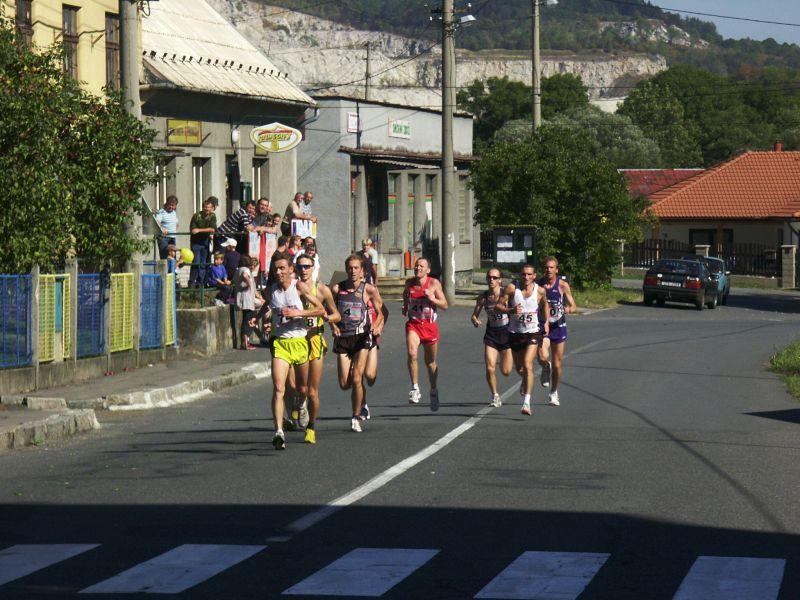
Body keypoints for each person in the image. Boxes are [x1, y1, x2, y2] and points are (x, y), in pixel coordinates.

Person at [251, 256, 324, 450]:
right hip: (281, 343)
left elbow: (320, 309)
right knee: (279, 388)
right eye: (276, 269)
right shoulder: (271, 290)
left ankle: (303, 408)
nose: (279, 272)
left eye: (283, 268)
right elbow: (268, 304)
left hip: (300, 342)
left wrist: (298, 313)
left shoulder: (298, 287)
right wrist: (257, 318)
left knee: (302, 389)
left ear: (291, 269)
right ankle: (279, 432)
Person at [331, 254, 384, 433]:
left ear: (362, 271)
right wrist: (332, 325)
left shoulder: (369, 289)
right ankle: (361, 398)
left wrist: (377, 326)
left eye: (356, 268)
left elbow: (380, 312)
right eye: (350, 268)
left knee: (357, 378)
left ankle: (355, 416)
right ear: (346, 269)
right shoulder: (337, 288)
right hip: (343, 338)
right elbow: (328, 309)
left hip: (362, 337)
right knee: (344, 384)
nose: (353, 271)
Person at [295, 253, 340, 444]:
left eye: (307, 266)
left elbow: (336, 314)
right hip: (297, 340)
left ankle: (311, 427)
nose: (304, 270)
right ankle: (300, 402)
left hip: (315, 340)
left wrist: (329, 319)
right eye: (300, 266)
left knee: (313, 391)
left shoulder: (322, 289)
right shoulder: (293, 288)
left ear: (313, 268)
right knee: (301, 388)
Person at [499, 264, 549, 416]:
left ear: (534, 276)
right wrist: (511, 310)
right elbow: (498, 306)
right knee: (520, 368)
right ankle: (526, 380)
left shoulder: (540, 291)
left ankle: (526, 403)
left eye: (529, 274)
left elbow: (544, 306)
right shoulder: (512, 289)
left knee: (528, 364)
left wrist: (546, 322)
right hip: (515, 333)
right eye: (523, 274)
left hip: (533, 332)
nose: (526, 277)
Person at [402, 258, 448, 411]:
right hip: (414, 325)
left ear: (428, 270)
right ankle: (415, 388)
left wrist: (432, 298)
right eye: (416, 265)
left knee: (430, 362)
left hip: (429, 327)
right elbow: (406, 295)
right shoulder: (409, 283)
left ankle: (433, 390)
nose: (418, 268)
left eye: (422, 266)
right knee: (412, 353)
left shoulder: (434, 283)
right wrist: (406, 306)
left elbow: (445, 305)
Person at [537, 257, 577, 407]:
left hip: (559, 326)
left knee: (557, 364)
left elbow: (574, 305)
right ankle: (545, 367)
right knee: (542, 355)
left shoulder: (562, 285)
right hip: (544, 325)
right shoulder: (538, 285)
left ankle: (554, 392)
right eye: (546, 267)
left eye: (551, 267)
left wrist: (568, 309)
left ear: (556, 269)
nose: (548, 270)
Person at [471, 267, 513, 408]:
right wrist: (475, 320)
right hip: (491, 334)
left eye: (495, 278)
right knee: (490, 368)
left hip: (506, 332)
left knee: (506, 371)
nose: (491, 280)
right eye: (489, 277)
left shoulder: (506, 295)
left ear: (500, 280)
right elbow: (474, 315)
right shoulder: (483, 297)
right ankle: (495, 395)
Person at [188, 199, 217, 288]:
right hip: (196, 243)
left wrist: (199, 230)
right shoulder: (196, 216)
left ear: (212, 208)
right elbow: (193, 230)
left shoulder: (212, 216)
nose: (207, 209)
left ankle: (201, 283)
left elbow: (212, 229)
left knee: (203, 263)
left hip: (205, 242)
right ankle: (192, 283)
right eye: (205, 207)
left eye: (209, 207)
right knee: (196, 262)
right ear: (202, 207)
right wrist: (203, 230)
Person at [235, 255, 257, 350]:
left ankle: (244, 342)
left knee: (246, 319)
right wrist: (248, 283)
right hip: (247, 298)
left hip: (241, 298)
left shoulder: (238, 270)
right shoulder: (245, 270)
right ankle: (245, 342)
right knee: (248, 320)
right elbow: (245, 275)